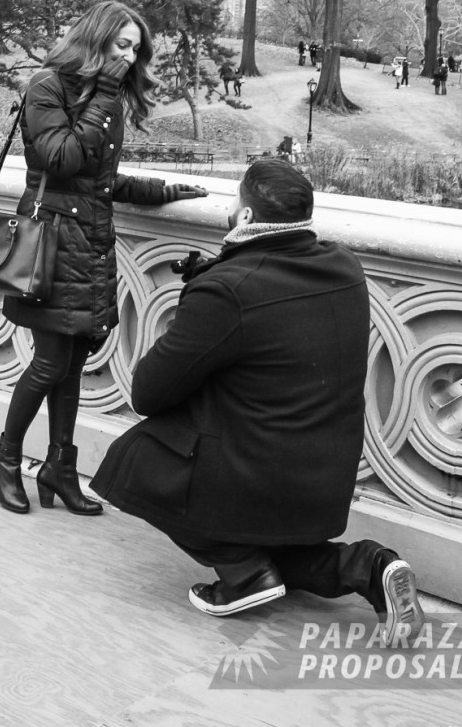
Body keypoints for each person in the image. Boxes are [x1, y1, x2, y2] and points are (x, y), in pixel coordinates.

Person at [91, 159, 424, 643]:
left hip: (257, 473)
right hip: (326, 478)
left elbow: (149, 392)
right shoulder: (344, 265)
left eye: (233, 202)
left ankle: (243, 572)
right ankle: (372, 568)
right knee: (281, 553)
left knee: (134, 457)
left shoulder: (227, 289)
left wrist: (195, 304)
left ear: (245, 218)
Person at [0, 0, 208, 517]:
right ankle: (6, 460)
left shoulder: (101, 98)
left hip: (89, 242)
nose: (131, 58)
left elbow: (100, 180)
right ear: (98, 40)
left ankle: (59, 470)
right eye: (123, 46)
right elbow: (62, 159)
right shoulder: (49, 86)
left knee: (72, 366)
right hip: (50, 242)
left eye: (136, 50)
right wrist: (107, 93)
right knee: (48, 364)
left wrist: (166, 189)